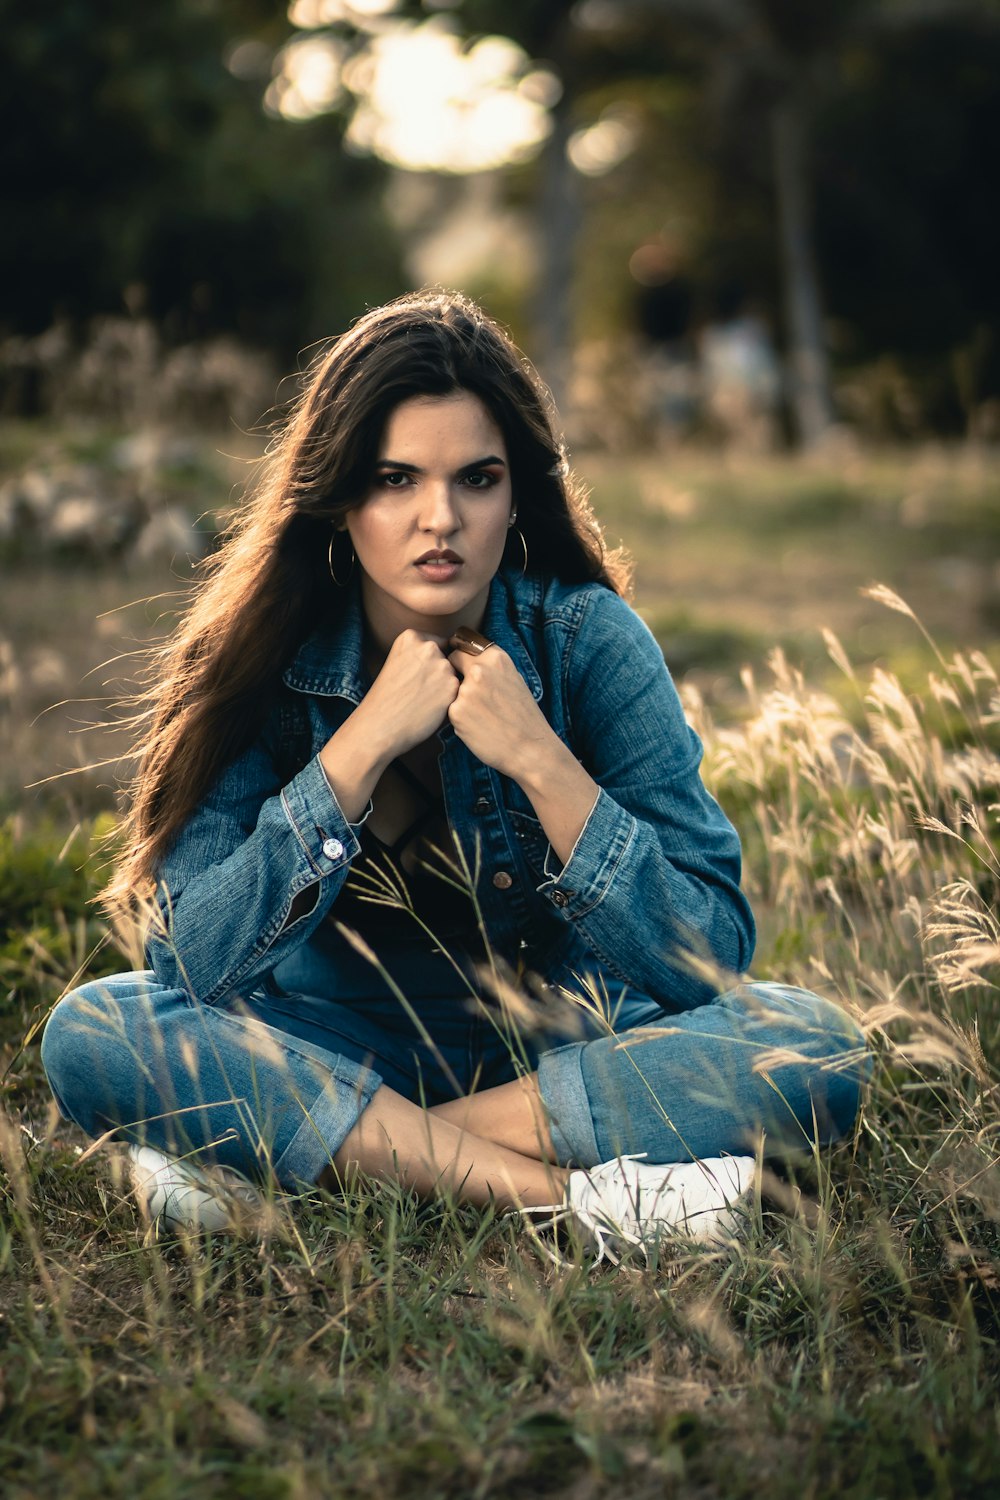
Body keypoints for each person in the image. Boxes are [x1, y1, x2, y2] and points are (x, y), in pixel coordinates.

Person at [40, 291, 868, 1264]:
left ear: (517, 496)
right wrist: (353, 756)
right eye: (396, 479)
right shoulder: (251, 662)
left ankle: (335, 1150)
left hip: (559, 1052)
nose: (441, 519)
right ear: (341, 501)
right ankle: (579, 1200)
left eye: (477, 478)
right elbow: (193, 966)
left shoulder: (588, 642)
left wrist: (541, 761)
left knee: (816, 1044)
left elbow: (708, 957)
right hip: (325, 1041)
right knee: (96, 1028)